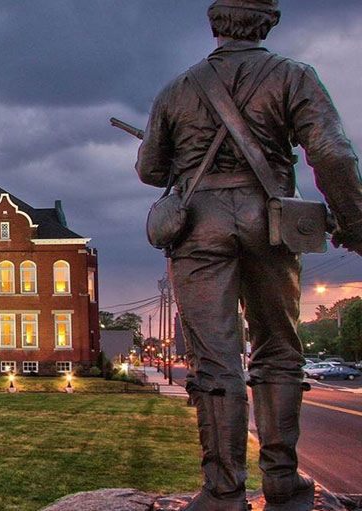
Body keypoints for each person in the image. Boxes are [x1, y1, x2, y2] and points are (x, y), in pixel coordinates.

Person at [135, 1, 362, 509]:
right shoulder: (293, 76)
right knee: (279, 349)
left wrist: (184, 154)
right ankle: (282, 480)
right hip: (272, 219)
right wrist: (354, 221)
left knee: (215, 361)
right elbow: (333, 152)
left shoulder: (177, 88)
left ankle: (223, 490)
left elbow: (150, 169)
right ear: (267, 23)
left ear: (216, 25)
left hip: (199, 227)